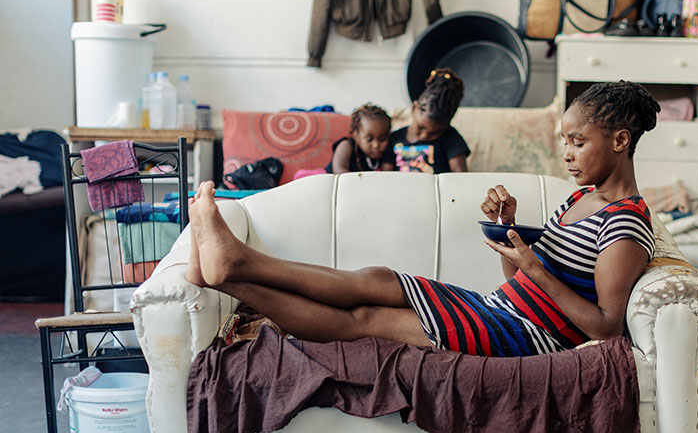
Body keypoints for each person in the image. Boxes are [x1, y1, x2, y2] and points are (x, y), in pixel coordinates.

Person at [185, 80, 660, 357]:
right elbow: (524, 282)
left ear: (620, 141)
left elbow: (605, 328)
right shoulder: (578, 198)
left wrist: (534, 268)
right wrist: (511, 240)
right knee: (377, 278)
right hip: (501, 307)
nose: (567, 154)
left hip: (528, 336)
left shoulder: (625, 225)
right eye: (565, 141)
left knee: (364, 318)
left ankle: (232, 273)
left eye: (578, 142)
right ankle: (238, 262)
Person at [385, 68, 470, 174]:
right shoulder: (395, 138)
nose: (424, 136)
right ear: (414, 107)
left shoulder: (451, 138)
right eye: (421, 127)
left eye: (434, 133)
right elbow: (385, 174)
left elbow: (460, 173)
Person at [326, 103, 393, 174]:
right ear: (356, 135)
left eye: (382, 139)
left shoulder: (387, 149)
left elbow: (386, 175)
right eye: (369, 140)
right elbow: (339, 173)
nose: (376, 145)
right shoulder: (346, 146)